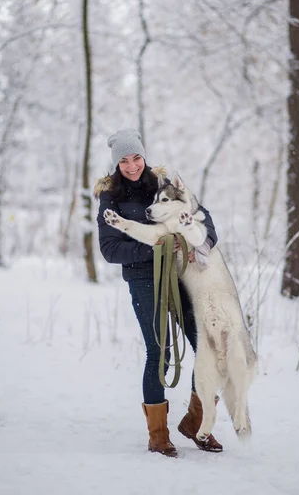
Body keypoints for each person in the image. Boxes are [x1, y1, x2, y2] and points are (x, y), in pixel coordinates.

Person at [95, 129, 223, 458]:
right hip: (142, 278)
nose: (132, 165)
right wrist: (158, 250)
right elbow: (110, 249)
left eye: (136, 157)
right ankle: (158, 435)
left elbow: (202, 217)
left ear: (144, 155)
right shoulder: (111, 196)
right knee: (159, 354)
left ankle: (196, 423)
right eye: (124, 160)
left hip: (181, 276)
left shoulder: (162, 184)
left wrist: (201, 245)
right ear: (116, 163)